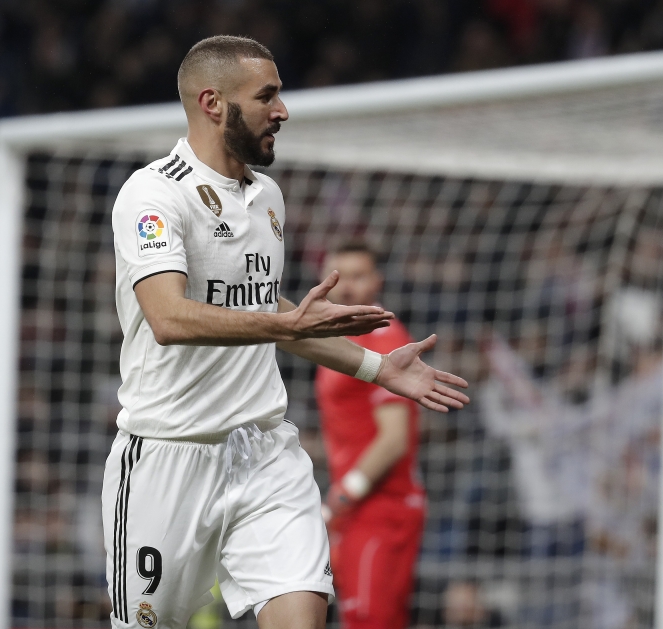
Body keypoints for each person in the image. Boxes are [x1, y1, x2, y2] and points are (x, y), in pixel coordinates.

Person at [103, 35, 469, 629]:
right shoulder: (152, 193)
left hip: (265, 451)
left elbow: (268, 313)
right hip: (168, 457)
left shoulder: (267, 197)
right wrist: (280, 320)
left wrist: (376, 366)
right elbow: (168, 317)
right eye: (267, 95)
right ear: (213, 102)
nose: (283, 110)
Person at [314, 241, 426, 629]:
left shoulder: (386, 340)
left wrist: (344, 495)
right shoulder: (338, 339)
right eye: (338, 277)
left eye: (358, 276)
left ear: (377, 282)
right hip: (355, 505)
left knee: (371, 621)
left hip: (380, 505)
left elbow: (394, 438)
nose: (346, 288)